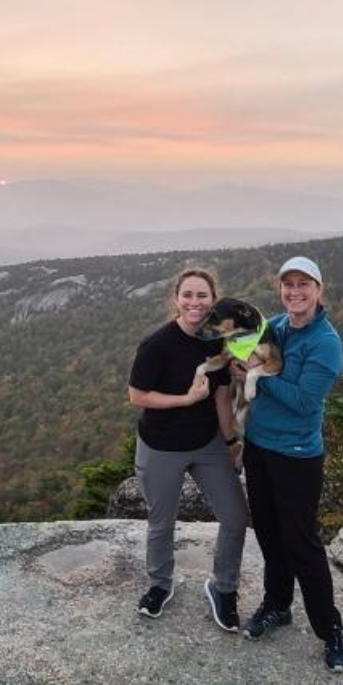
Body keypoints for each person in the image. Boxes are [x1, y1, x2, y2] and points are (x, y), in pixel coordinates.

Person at [238, 255, 343, 672]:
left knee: (302, 543)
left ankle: (330, 629)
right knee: (268, 533)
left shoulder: (326, 343)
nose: (295, 292)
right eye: (289, 284)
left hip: (298, 456)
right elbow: (241, 350)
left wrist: (261, 375)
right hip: (259, 447)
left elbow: (305, 403)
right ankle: (277, 604)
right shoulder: (277, 326)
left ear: (319, 290)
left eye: (304, 284)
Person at [128, 266, 249, 630]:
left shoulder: (217, 342)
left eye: (202, 295)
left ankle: (223, 588)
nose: (195, 302)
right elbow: (137, 395)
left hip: (206, 441)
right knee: (161, 522)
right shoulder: (157, 344)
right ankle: (159, 585)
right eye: (188, 295)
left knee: (236, 516)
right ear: (176, 299)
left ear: (213, 300)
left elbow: (223, 396)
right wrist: (185, 399)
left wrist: (230, 441)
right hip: (161, 445)